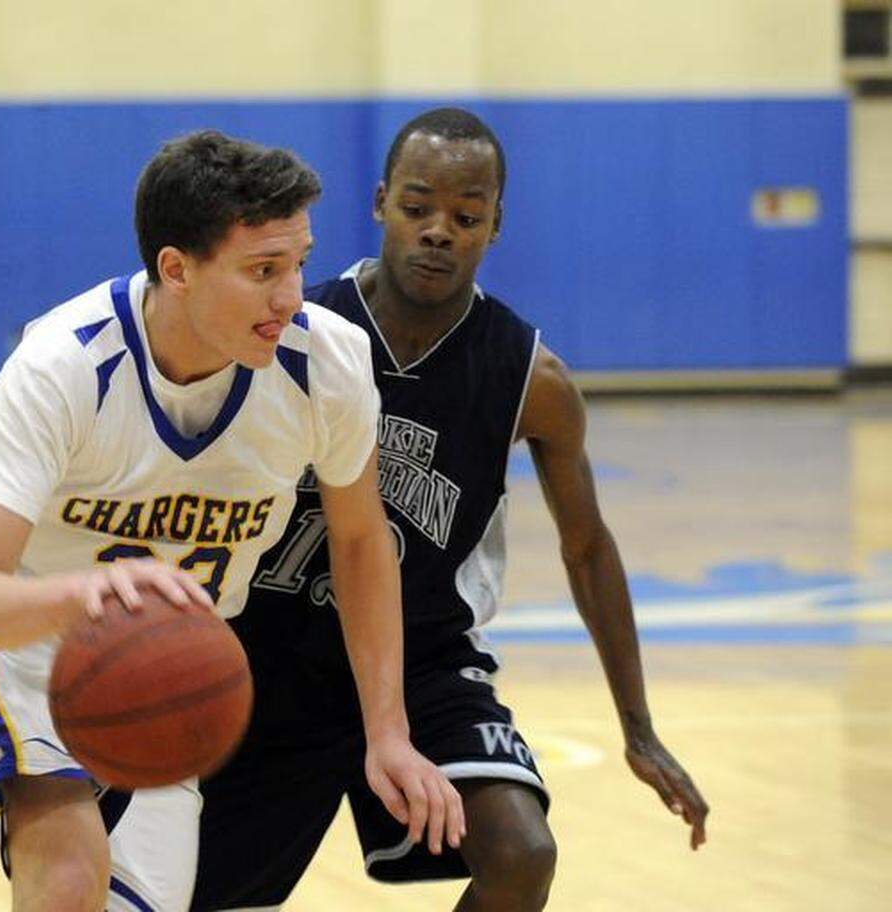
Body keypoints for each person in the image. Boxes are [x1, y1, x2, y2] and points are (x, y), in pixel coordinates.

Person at [0, 129, 463, 912]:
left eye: (300, 264)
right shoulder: (63, 369)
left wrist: (388, 730)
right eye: (263, 271)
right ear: (176, 269)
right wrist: (93, 599)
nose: (291, 296)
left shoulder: (328, 363)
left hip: (169, 672)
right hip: (27, 649)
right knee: (70, 880)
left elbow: (358, 539)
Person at [193, 108, 710, 912]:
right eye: (418, 206)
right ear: (379, 203)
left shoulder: (530, 380)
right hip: (267, 655)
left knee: (521, 852)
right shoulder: (294, 331)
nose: (439, 231)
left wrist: (638, 727)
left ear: (495, 226)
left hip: (424, 660)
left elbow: (588, 547)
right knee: (186, 891)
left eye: (466, 217)